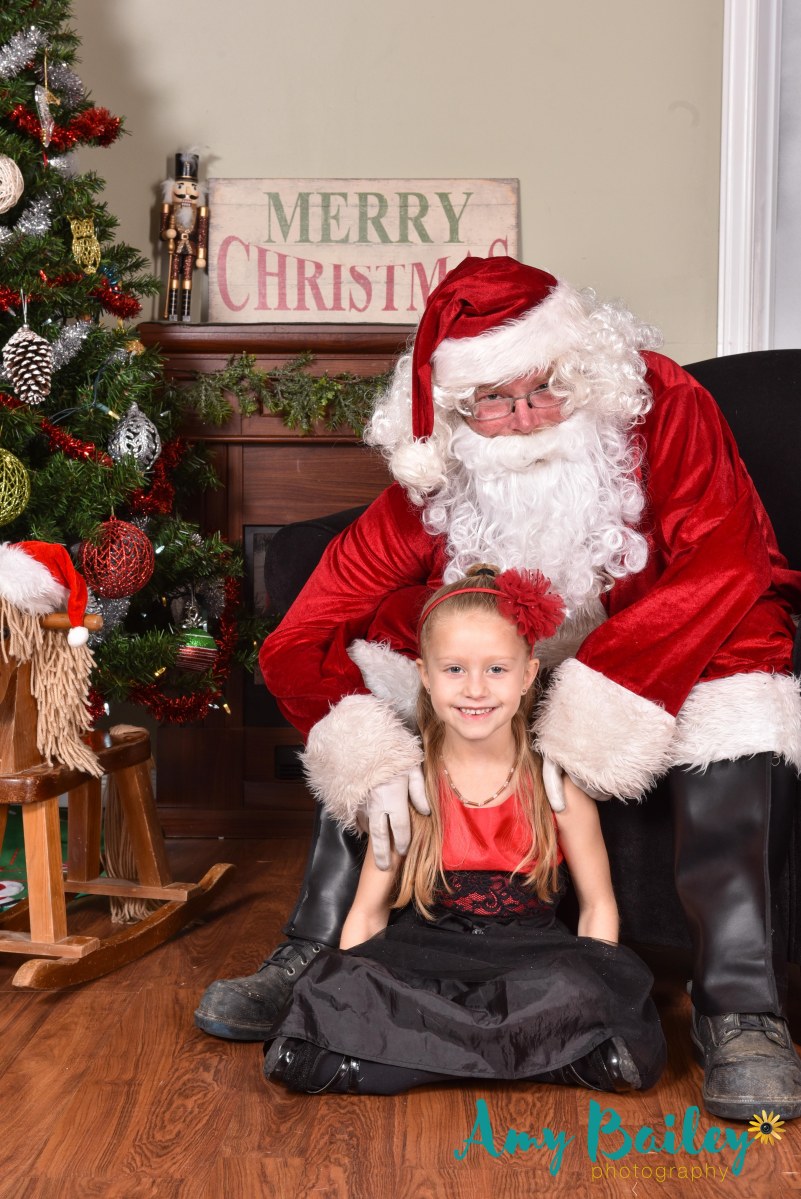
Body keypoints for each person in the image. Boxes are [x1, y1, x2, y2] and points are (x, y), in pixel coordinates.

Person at [195, 255, 801, 1121]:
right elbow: (302, 631)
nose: (523, 417)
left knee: (738, 693)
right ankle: (314, 946)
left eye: (544, 388)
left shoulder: (658, 402)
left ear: (580, 364)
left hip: (669, 631)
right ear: (453, 410)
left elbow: (726, 555)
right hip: (505, 654)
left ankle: (739, 1006)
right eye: (494, 400)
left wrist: (603, 697)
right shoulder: (441, 470)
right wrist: (366, 756)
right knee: (377, 664)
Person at [263, 567, 666, 1095]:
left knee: (582, 989)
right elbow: (368, 911)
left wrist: (601, 987)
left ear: (528, 674)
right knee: (335, 989)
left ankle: (412, 1061)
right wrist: (346, 1001)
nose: (476, 689)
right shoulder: (408, 785)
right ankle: (537, 1060)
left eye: (497, 669)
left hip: (531, 963)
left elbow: (597, 907)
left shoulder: (559, 787)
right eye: (454, 669)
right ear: (425, 675)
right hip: (423, 960)